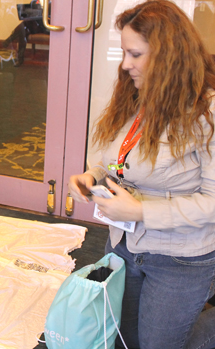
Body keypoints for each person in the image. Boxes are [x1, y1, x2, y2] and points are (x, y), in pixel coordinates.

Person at [68, 1, 215, 348]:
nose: (124, 64)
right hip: (123, 244)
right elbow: (111, 159)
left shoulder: (207, 112)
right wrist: (91, 176)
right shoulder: (135, 94)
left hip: (181, 257)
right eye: (123, 52)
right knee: (125, 337)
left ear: (169, 56)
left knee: (158, 344)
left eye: (135, 54)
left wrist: (141, 211)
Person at [2, 0, 50, 67]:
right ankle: (20, 57)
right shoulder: (34, 2)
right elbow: (30, 13)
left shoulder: (50, 2)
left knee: (23, 26)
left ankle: (11, 40)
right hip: (34, 25)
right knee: (23, 29)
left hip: (45, 26)